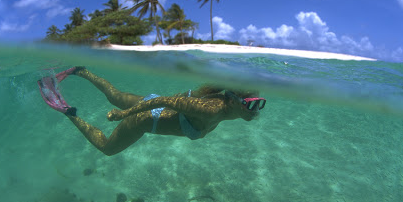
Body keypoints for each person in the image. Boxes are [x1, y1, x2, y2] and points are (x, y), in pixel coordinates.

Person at [38, 66, 266, 156]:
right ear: (235, 100)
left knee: (114, 96)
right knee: (108, 148)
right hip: (144, 118)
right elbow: (166, 101)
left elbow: (165, 102)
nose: (255, 111)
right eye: (252, 103)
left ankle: (80, 71)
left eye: (259, 103)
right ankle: (69, 112)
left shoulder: (223, 107)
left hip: (152, 105)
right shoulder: (211, 110)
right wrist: (125, 115)